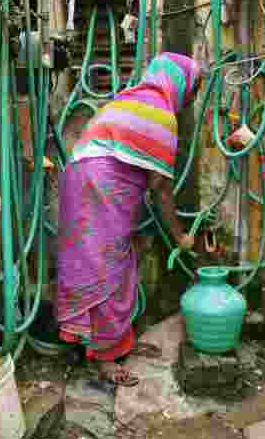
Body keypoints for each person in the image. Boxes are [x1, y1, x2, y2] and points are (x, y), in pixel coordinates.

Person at [56, 52, 203, 386]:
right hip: (100, 184)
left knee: (93, 263)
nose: (190, 99)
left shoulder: (129, 101)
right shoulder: (161, 115)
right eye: (192, 90)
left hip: (78, 177)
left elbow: (145, 178)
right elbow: (161, 190)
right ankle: (105, 356)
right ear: (179, 84)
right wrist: (181, 237)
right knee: (108, 265)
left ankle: (95, 342)